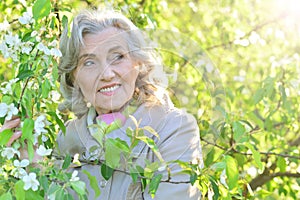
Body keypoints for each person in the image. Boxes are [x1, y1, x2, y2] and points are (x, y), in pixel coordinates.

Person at [2, 8, 203, 199]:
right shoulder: (66, 139)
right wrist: (35, 165)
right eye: (89, 62)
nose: (106, 74)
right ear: (73, 76)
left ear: (138, 63)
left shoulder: (175, 129)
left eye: (118, 57)